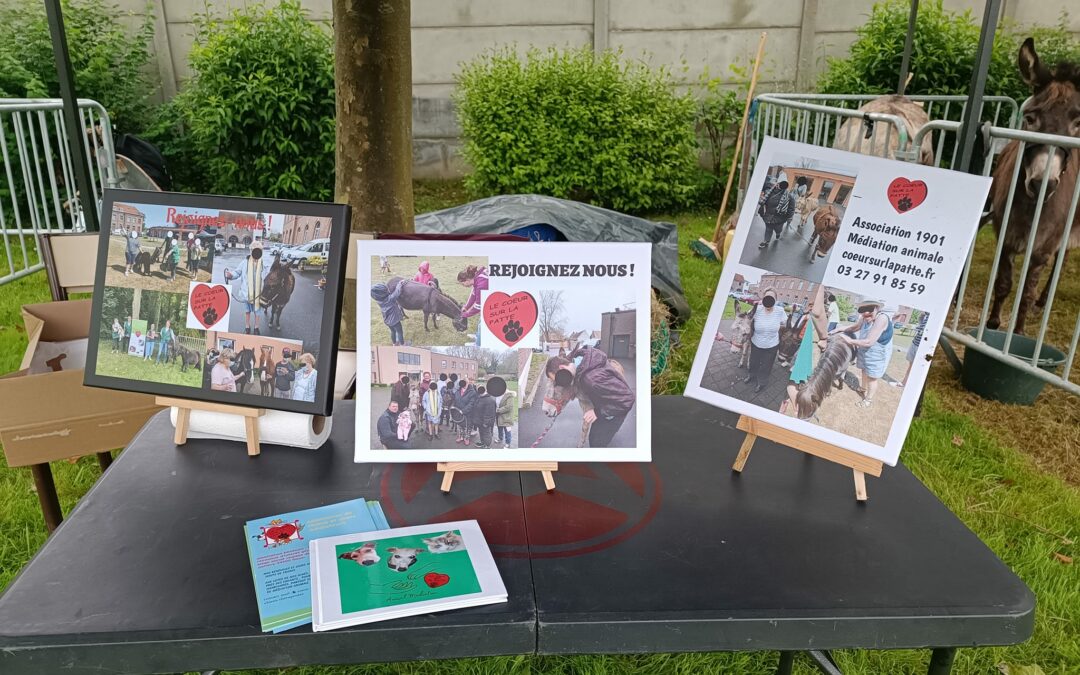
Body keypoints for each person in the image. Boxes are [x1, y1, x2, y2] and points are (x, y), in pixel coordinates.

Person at [544, 345, 635, 448]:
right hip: (604, 406)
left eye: (558, 379)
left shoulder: (591, 380)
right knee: (593, 437)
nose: (561, 382)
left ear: (562, 368)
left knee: (597, 443)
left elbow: (627, 399)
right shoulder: (577, 361)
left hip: (614, 412)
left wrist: (597, 412)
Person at [834, 300, 893, 408]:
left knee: (872, 377)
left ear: (877, 308)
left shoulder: (881, 318)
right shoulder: (864, 317)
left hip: (877, 353)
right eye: (862, 310)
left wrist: (849, 340)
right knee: (864, 370)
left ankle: (868, 400)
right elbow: (854, 327)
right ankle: (863, 388)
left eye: (869, 309)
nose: (865, 313)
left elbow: (869, 341)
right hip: (865, 350)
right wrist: (838, 330)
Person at [785, 285, 828, 417]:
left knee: (797, 383)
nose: (810, 306)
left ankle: (800, 408)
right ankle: (800, 408)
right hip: (806, 351)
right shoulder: (812, 315)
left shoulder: (817, 315)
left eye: (813, 303)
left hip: (809, 353)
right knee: (798, 383)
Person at [744, 288, 787, 393]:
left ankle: (761, 382)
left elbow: (785, 324)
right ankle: (751, 375)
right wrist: (755, 306)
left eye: (772, 297)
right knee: (753, 362)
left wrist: (777, 328)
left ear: (775, 299)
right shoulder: (757, 309)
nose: (769, 299)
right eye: (766, 297)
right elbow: (746, 318)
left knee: (766, 366)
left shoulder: (780, 311)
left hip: (772, 345)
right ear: (763, 298)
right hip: (756, 343)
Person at [224, 241, 268, 335]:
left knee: (257, 312)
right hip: (246, 293)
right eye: (254, 250)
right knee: (247, 311)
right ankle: (247, 326)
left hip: (258, 294)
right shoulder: (245, 262)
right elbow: (237, 272)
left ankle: (256, 327)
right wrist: (231, 275)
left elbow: (267, 277)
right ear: (251, 251)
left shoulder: (263, 264)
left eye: (259, 250)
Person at [757, 179, 794, 249]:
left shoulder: (789, 196)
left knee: (778, 228)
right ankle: (766, 241)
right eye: (777, 184)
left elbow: (791, 208)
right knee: (768, 228)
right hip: (768, 215)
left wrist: (789, 217)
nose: (776, 185)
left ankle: (778, 233)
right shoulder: (770, 192)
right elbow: (764, 200)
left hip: (780, 217)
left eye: (778, 184)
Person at [457, 265, 488, 345]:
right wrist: (466, 307)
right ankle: (478, 336)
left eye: (462, 283)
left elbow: (478, 306)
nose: (463, 285)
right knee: (481, 319)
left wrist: (465, 314)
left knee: (483, 324)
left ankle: (477, 344)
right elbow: (474, 294)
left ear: (467, 280)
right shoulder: (476, 277)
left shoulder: (482, 284)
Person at [899, 311, 930, 388]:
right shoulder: (925, 316)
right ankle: (905, 382)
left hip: (923, 347)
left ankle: (907, 383)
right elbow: (920, 325)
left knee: (920, 367)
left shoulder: (933, 317)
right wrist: (921, 317)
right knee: (911, 365)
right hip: (915, 343)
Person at [491, 377, 515, 449]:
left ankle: (508, 443)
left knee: (507, 430)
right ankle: (500, 438)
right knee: (499, 428)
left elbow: (509, 407)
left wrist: (498, 410)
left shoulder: (509, 395)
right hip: (498, 416)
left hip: (506, 416)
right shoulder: (497, 394)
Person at [456, 378, 478, 445]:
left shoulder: (472, 392)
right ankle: (460, 437)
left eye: (466, 382)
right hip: (459, 411)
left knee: (468, 426)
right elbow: (455, 401)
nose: (465, 383)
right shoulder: (458, 391)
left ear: (468, 383)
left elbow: (471, 404)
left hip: (468, 413)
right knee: (460, 425)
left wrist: (463, 411)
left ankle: (467, 438)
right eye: (464, 382)